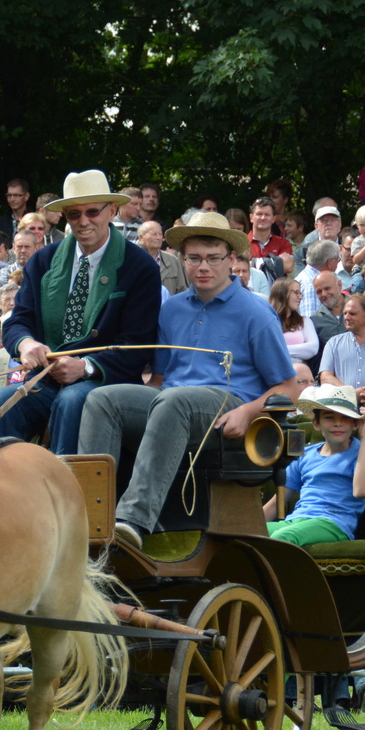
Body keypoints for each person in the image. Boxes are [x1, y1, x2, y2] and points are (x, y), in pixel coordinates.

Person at [79, 211, 294, 545]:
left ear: (231, 259)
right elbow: (160, 378)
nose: (203, 267)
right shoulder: (172, 308)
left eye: (213, 258)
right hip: (172, 400)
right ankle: (89, 517)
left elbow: (288, 388)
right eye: (194, 258)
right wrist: (135, 403)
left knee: (173, 401)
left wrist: (248, 412)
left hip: (227, 405)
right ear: (182, 260)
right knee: (102, 399)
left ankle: (132, 521)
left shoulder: (256, 312)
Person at [0, 173, 163, 455]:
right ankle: (2, 482)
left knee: (72, 401)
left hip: (105, 383)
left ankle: (65, 481)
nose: (83, 221)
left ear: (112, 211)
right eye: (74, 214)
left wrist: (85, 367)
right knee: (1, 402)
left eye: (92, 212)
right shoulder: (43, 260)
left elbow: (137, 344)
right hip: (46, 380)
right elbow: (18, 320)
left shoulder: (139, 266)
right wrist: (26, 344)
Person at [262, 386, 365, 545]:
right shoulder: (306, 454)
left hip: (333, 523)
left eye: (345, 417)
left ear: (355, 423)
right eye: (329, 417)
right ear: (316, 423)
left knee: (283, 537)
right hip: (297, 520)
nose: (338, 423)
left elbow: (361, 491)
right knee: (247, 534)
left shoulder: (364, 450)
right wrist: (246, 526)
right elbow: (277, 502)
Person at [268, 278, 318, 364]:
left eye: (300, 293)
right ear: (282, 293)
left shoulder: (304, 321)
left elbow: (313, 348)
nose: (300, 297)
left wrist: (279, 350)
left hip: (299, 371)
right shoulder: (268, 322)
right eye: (296, 292)